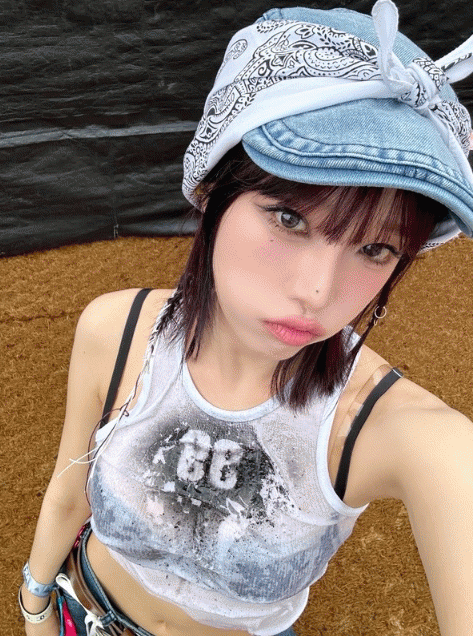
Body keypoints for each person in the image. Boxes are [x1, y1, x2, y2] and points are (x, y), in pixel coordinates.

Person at [19, 1, 473, 635]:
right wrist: (37, 600)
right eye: (290, 218)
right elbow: (70, 488)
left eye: (375, 249)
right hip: (86, 609)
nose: (318, 293)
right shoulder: (115, 331)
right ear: (213, 189)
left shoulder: (399, 433)